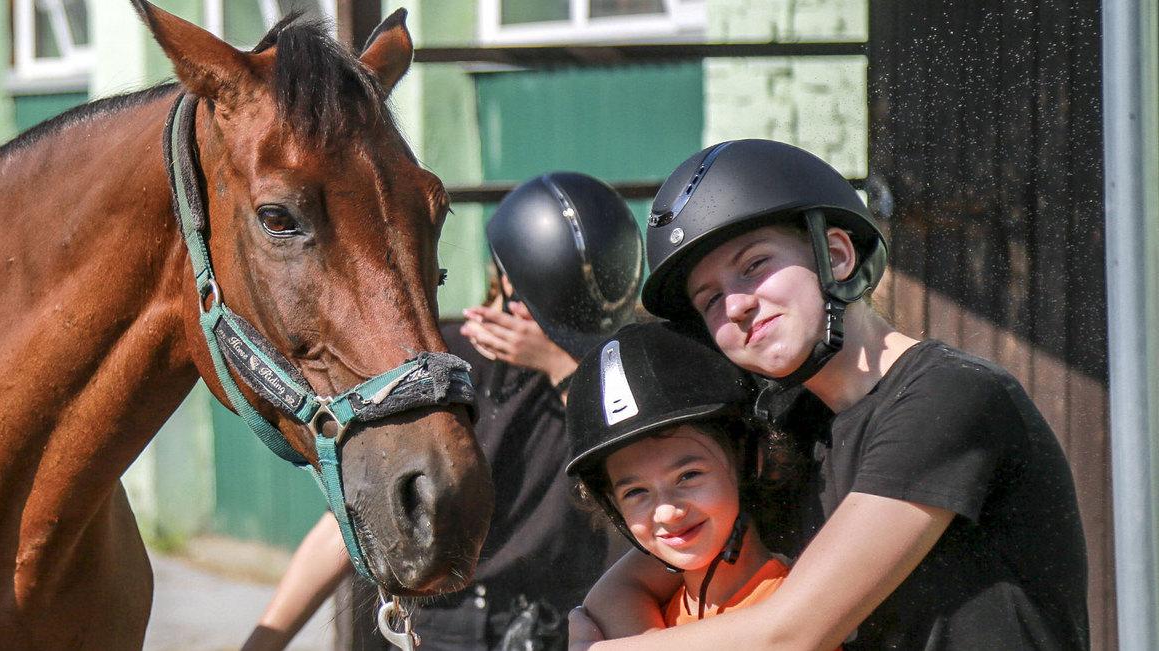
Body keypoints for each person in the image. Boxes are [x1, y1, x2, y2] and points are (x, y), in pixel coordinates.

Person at [569, 139, 1088, 649]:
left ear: (836, 255)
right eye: (710, 300)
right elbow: (621, 588)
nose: (736, 305)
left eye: (754, 265)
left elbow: (791, 633)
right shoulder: (789, 429)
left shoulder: (949, 396)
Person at [242, 172, 643, 651]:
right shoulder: (442, 367)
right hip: (436, 629)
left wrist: (562, 367)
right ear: (506, 281)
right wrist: (263, 643)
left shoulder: (609, 383)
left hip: (549, 628)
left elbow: (628, 473)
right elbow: (347, 523)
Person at [563, 322, 806, 631]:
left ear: (749, 459)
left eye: (688, 475)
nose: (667, 512)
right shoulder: (639, 618)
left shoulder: (794, 610)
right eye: (635, 492)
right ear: (613, 504)